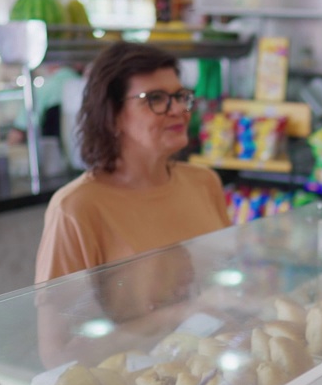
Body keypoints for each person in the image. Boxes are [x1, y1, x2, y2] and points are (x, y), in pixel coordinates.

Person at [35, 41, 231, 283]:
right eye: (156, 99)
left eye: (180, 96)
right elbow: (57, 318)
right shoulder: (75, 208)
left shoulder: (204, 182)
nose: (179, 109)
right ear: (112, 116)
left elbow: (224, 280)